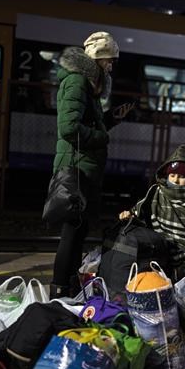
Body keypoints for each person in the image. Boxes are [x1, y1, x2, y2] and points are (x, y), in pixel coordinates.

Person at [51, 32, 122, 298]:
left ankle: (67, 288)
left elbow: (84, 121)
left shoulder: (86, 85)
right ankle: (59, 291)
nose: (111, 67)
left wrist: (109, 119)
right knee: (71, 234)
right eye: (109, 61)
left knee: (78, 233)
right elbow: (69, 128)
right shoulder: (78, 82)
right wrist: (102, 136)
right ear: (97, 60)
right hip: (75, 168)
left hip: (83, 166)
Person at [119, 144, 185, 280]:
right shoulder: (157, 193)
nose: (175, 180)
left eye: (182, 176)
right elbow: (138, 213)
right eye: (172, 175)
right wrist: (129, 215)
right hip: (160, 253)